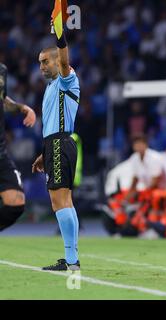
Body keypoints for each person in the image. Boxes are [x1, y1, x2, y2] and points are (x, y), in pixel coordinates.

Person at [31, 24, 81, 271]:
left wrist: (60, 36)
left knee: (58, 201)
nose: (41, 67)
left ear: (56, 61)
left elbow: (64, 61)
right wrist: (44, 153)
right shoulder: (52, 88)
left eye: (45, 62)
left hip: (61, 143)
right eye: (39, 63)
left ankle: (72, 261)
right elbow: (52, 124)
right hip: (54, 144)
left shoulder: (66, 79)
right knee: (65, 201)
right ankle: (71, 259)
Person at [0, 63, 36, 231]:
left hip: (1, 153)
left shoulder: (2, 70)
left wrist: (21, 107)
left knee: (16, 203)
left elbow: (3, 100)